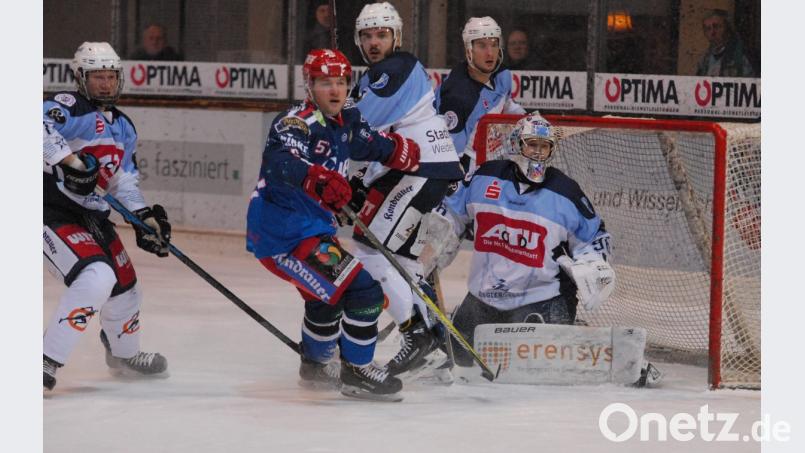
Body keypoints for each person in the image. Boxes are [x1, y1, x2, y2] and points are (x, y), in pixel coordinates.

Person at [246, 49, 421, 401]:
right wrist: (316, 178)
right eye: (325, 82)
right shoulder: (295, 122)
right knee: (364, 291)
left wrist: (406, 152)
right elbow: (282, 163)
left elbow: (372, 143)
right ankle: (357, 370)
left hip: (310, 231)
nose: (335, 89)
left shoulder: (346, 122)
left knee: (325, 298)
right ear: (309, 85)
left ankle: (315, 364)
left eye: (341, 81)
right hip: (284, 236)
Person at [423, 115, 615, 367]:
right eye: (532, 144)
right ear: (516, 144)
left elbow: (595, 236)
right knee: (454, 363)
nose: (537, 152)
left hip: (542, 299)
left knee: (537, 372)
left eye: (544, 146)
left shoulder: (565, 192)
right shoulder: (485, 178)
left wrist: (592, 264)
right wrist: (430, 249)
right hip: (484, 299)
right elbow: (452, 214)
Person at [43, 42, 172, 390]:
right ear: (80, 77)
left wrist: (143, 217)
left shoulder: (124, 127)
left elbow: (122, 179)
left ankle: (124, 355)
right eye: (97, 76)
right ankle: (44, 360)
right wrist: (69, 163)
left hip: (93, 217)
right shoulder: (68, 107)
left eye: (110, 76)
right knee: (96, 277)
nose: (105, 83)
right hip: (51, 209)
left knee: (126, 289)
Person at [349, 2, 465, 379]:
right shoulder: (376, 75)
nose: (373, 42)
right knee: (405, 262)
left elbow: (364, 124)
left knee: (369, 250)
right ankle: (431, 340)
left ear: (395, 37)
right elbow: (370, 135)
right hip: (418, 169)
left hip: (420, 169)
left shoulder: (398, 68)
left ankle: (416, 337)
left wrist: (340, 109)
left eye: (381, 34)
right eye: (366, 36)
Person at [436, 16, 527, 176]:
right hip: (467, 171)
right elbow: (450, 158)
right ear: (468, 50)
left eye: (494, 44)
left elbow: (507, 105)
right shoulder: (457, 96)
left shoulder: (502, 74)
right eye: (482, 45)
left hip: (491, 159)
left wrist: (529, 121)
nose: (490, 53)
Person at [695, 9, 754, 77]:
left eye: (716, 27)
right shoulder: (704, 59)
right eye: (708, 28)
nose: (712, 33)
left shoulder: (742, 56)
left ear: (728, 28)